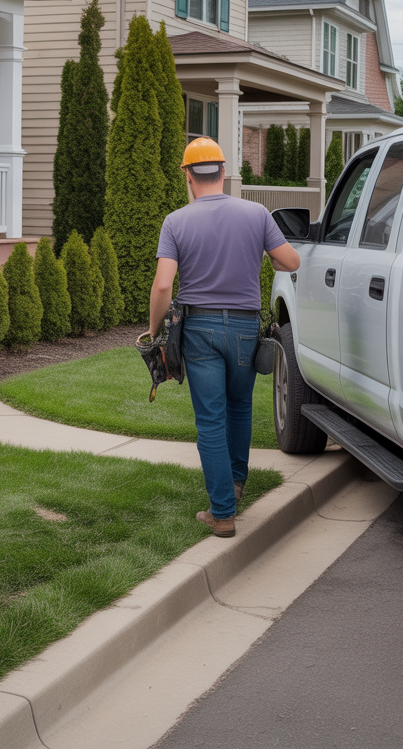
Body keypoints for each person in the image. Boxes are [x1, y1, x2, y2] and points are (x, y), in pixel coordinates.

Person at [148, 137, 301, 537]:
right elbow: (291, 260)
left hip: (198, 330)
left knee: (211, 421)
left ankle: (223, 513)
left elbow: (164, 287)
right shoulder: (256, 213)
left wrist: (152, 332)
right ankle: (234, 484)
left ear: (187, 175)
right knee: (239, 408)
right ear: (222, 171)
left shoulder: (176, 222)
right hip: (246, 330)